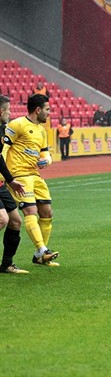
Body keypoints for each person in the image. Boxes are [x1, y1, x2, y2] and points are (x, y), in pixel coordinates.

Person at [3, 94, 59, 267]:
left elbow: (45, 151)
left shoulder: (42, 131)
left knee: (47, 212)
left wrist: (47, 159)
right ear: (38, 110)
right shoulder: (17, 124)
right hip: (19, 176)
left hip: (35, 175)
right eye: (47, 109)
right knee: (30, 211)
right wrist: (3, 175)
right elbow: (4, 148)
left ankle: (39, 256)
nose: (49, 113)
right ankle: (42, 249)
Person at [0, 95, 27, 274]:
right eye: (8, 110)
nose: (10, 113)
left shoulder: (2, 129)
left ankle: (6, 264)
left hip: (0, 184)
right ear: (1, 111)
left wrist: (10, 180)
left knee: (15, 221)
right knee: (2, 219)